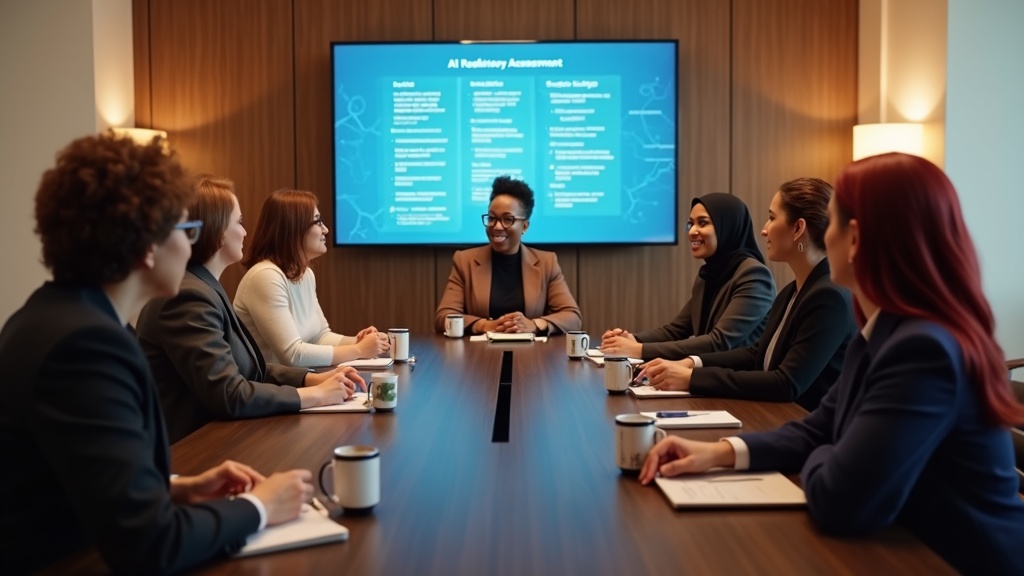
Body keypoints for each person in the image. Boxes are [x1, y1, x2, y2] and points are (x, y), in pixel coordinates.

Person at [639, 153, 1024, 575]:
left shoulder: (924, 350)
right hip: (902, 543)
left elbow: (842, 499)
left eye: (834, 222)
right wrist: (717, 453)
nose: (826, 237)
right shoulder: (884, 332)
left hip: (950, 560)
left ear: (855, 238)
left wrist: (828, 452)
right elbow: (816, 429)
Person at [0, 134, 313, 574]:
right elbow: (151, 544)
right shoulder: (84, 348)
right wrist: (260, 507)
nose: (190, 248)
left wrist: (174, 488)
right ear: (147, 246)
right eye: (185, 232)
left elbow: (71, 477)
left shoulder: (62, 318)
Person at [136, 175, 365, 443]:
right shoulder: (187, 297)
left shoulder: (205, 287)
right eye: (240, 222)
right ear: (219, 231)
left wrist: (313, 379)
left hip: (224, 435)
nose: (246, 232)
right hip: (194, 450)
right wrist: (315, 395)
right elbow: (229, 394)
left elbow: (251, 370)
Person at [640, 178, 855, 410]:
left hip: (808, 430)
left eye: (772, 218)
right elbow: (756, 355)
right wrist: (692, 363)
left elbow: (786, 383)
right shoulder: (791, 292)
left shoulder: (829, 297)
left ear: (798, 229)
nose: (763, 230)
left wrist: (692, 379)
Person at [602, 193, 775, 360]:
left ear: (727, 227)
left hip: (737, 383)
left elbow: (719, 342)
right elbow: (676, 330)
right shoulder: (708, 275)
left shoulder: (754, 275)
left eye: (703, 223)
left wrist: (639, 350)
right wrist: (633, 339)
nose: (692, 231)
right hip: (707, 376)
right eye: (690, 224)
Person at [234, 189, 389, 367]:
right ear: (293, 229)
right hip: (266, 389)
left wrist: (362, 342)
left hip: (293, 384)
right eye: (317, 222)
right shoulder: (265, 276)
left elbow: (319, 337)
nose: (326, 229)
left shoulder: (305, 274)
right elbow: (293, 355)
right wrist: (360, 350)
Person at [434, 175, 582, 335]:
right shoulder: (465, 261)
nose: (497, 226)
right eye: (492, 218)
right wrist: (485, 325)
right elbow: (443, 317)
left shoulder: (546, 262)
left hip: (531, 356)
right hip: (479, 355)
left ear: (524, 226)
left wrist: (534, 324)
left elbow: (572, 317)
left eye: (507, 219)